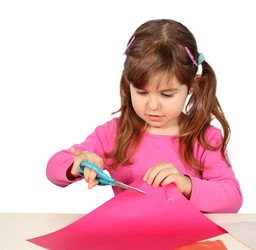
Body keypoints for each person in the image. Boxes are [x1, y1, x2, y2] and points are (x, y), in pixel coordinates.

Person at [46, 19, 243, 213]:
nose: (153, 106)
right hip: (130, 239)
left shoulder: (205, 138)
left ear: (191, 86)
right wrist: (78, 165)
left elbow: (232, 198)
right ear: (129, 84)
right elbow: (53, 168)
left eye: (167, 94)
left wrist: (186, 185)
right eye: (141, 92)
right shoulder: (115, 133)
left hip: (190, 240)